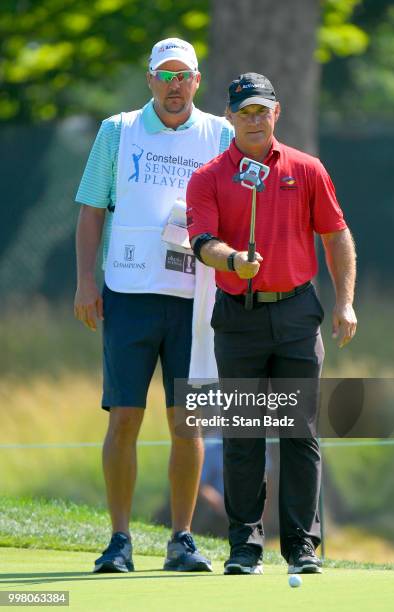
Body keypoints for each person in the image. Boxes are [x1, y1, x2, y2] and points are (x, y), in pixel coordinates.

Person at [187, 73, 357, 575]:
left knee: (300, 432)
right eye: (245, 112)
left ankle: (302, 546)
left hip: (297, 313)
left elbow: (336, 236)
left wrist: (345, 303)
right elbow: (202, 242)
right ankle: (244, 545)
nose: (255, 120)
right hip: (238, 315)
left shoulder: (307, 169)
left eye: (263, 110)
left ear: (276, 113)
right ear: (230, 118)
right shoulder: (209, 176)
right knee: (243, 433)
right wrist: (233, 260)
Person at [74, 37, 233, 574]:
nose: (172, 85)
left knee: (188, 421)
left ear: (197, 81)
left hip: (197, 299)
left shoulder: (221, 133)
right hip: (128, 290)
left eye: (182, 75)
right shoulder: (117, 130)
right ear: (149, 80)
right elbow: (92, 210)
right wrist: (84, 283)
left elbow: (236, 209)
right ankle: (119, 540)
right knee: (124, 417)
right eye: (163, 75)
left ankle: (182, 540)